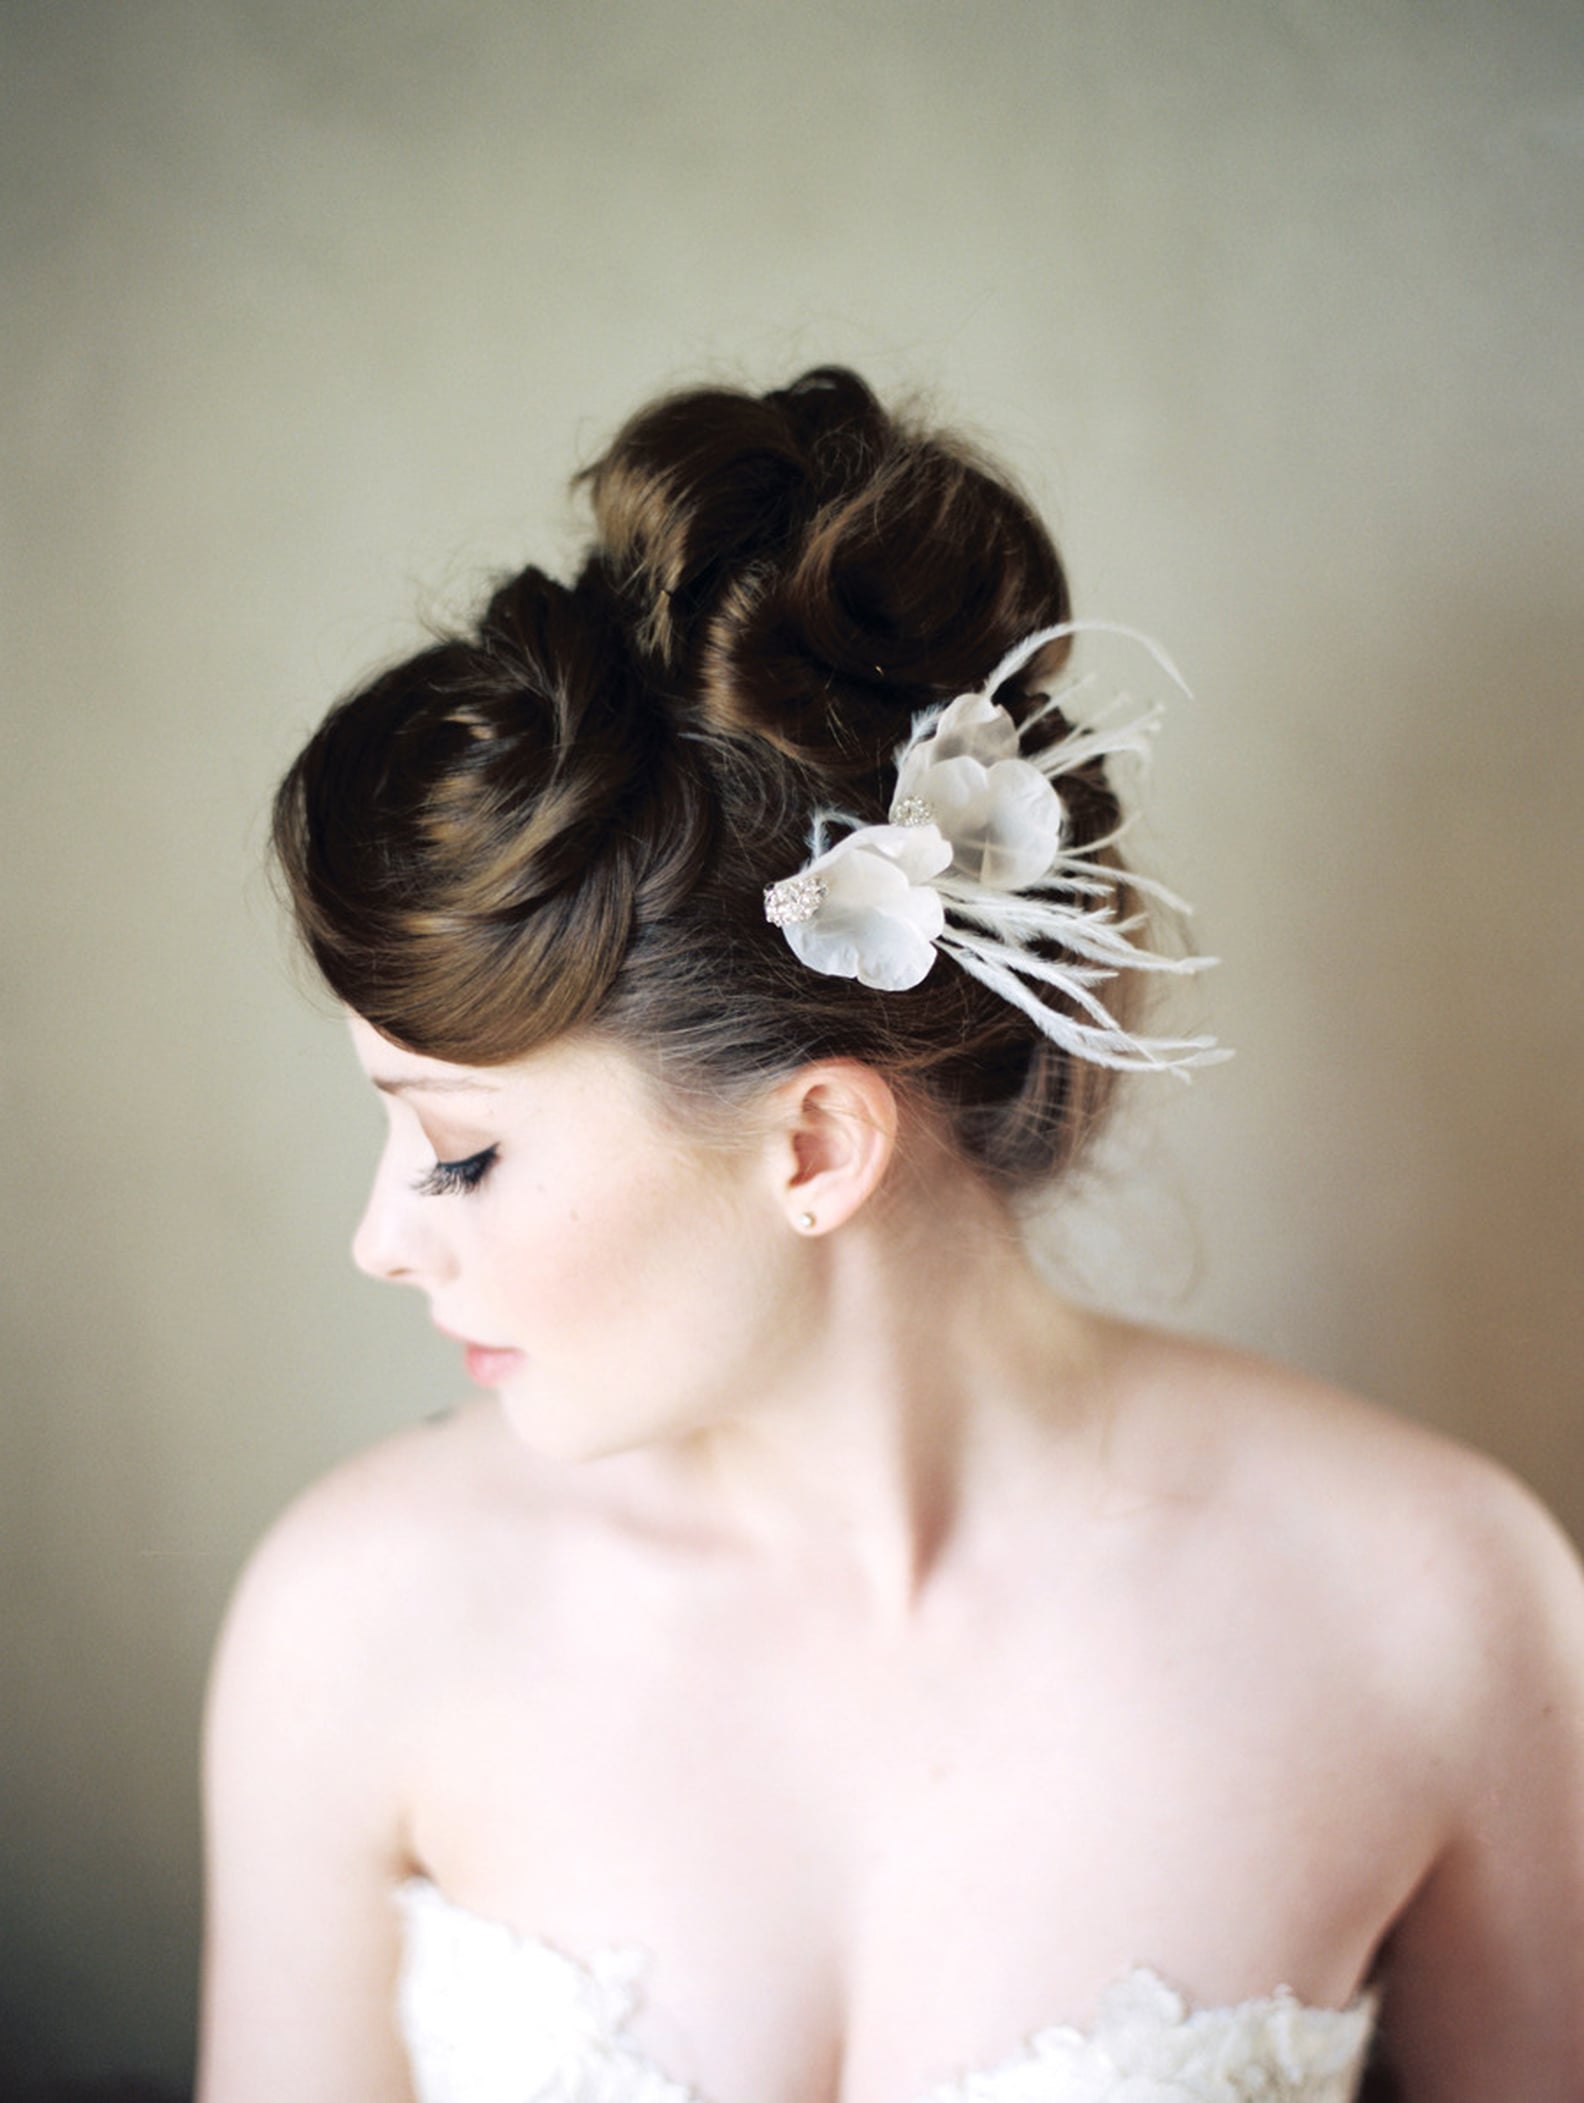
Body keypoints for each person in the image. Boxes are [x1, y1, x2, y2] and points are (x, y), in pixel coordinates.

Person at [196, 366, 1584, 2103]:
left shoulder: (1438, 1609)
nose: (381, 1242)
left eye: (459, 1155)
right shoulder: (359, 1618)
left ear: (817, 1144)